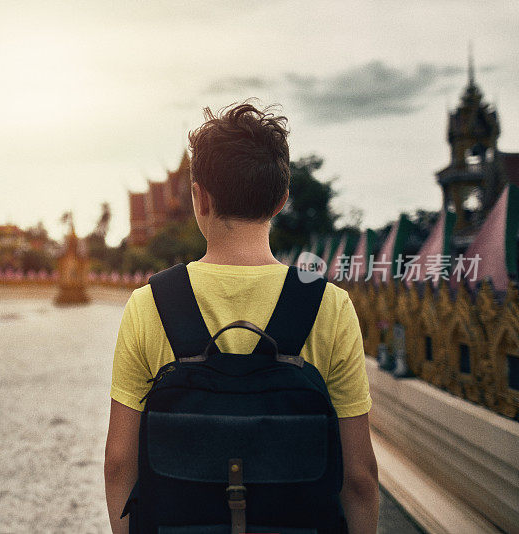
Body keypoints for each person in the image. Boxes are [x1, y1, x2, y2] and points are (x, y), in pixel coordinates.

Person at [104, 101, 379, 534]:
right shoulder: (329, 305)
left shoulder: (150, 303)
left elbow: (119, 463)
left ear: (199, 197)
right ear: (281, 201)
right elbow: (360, 478)